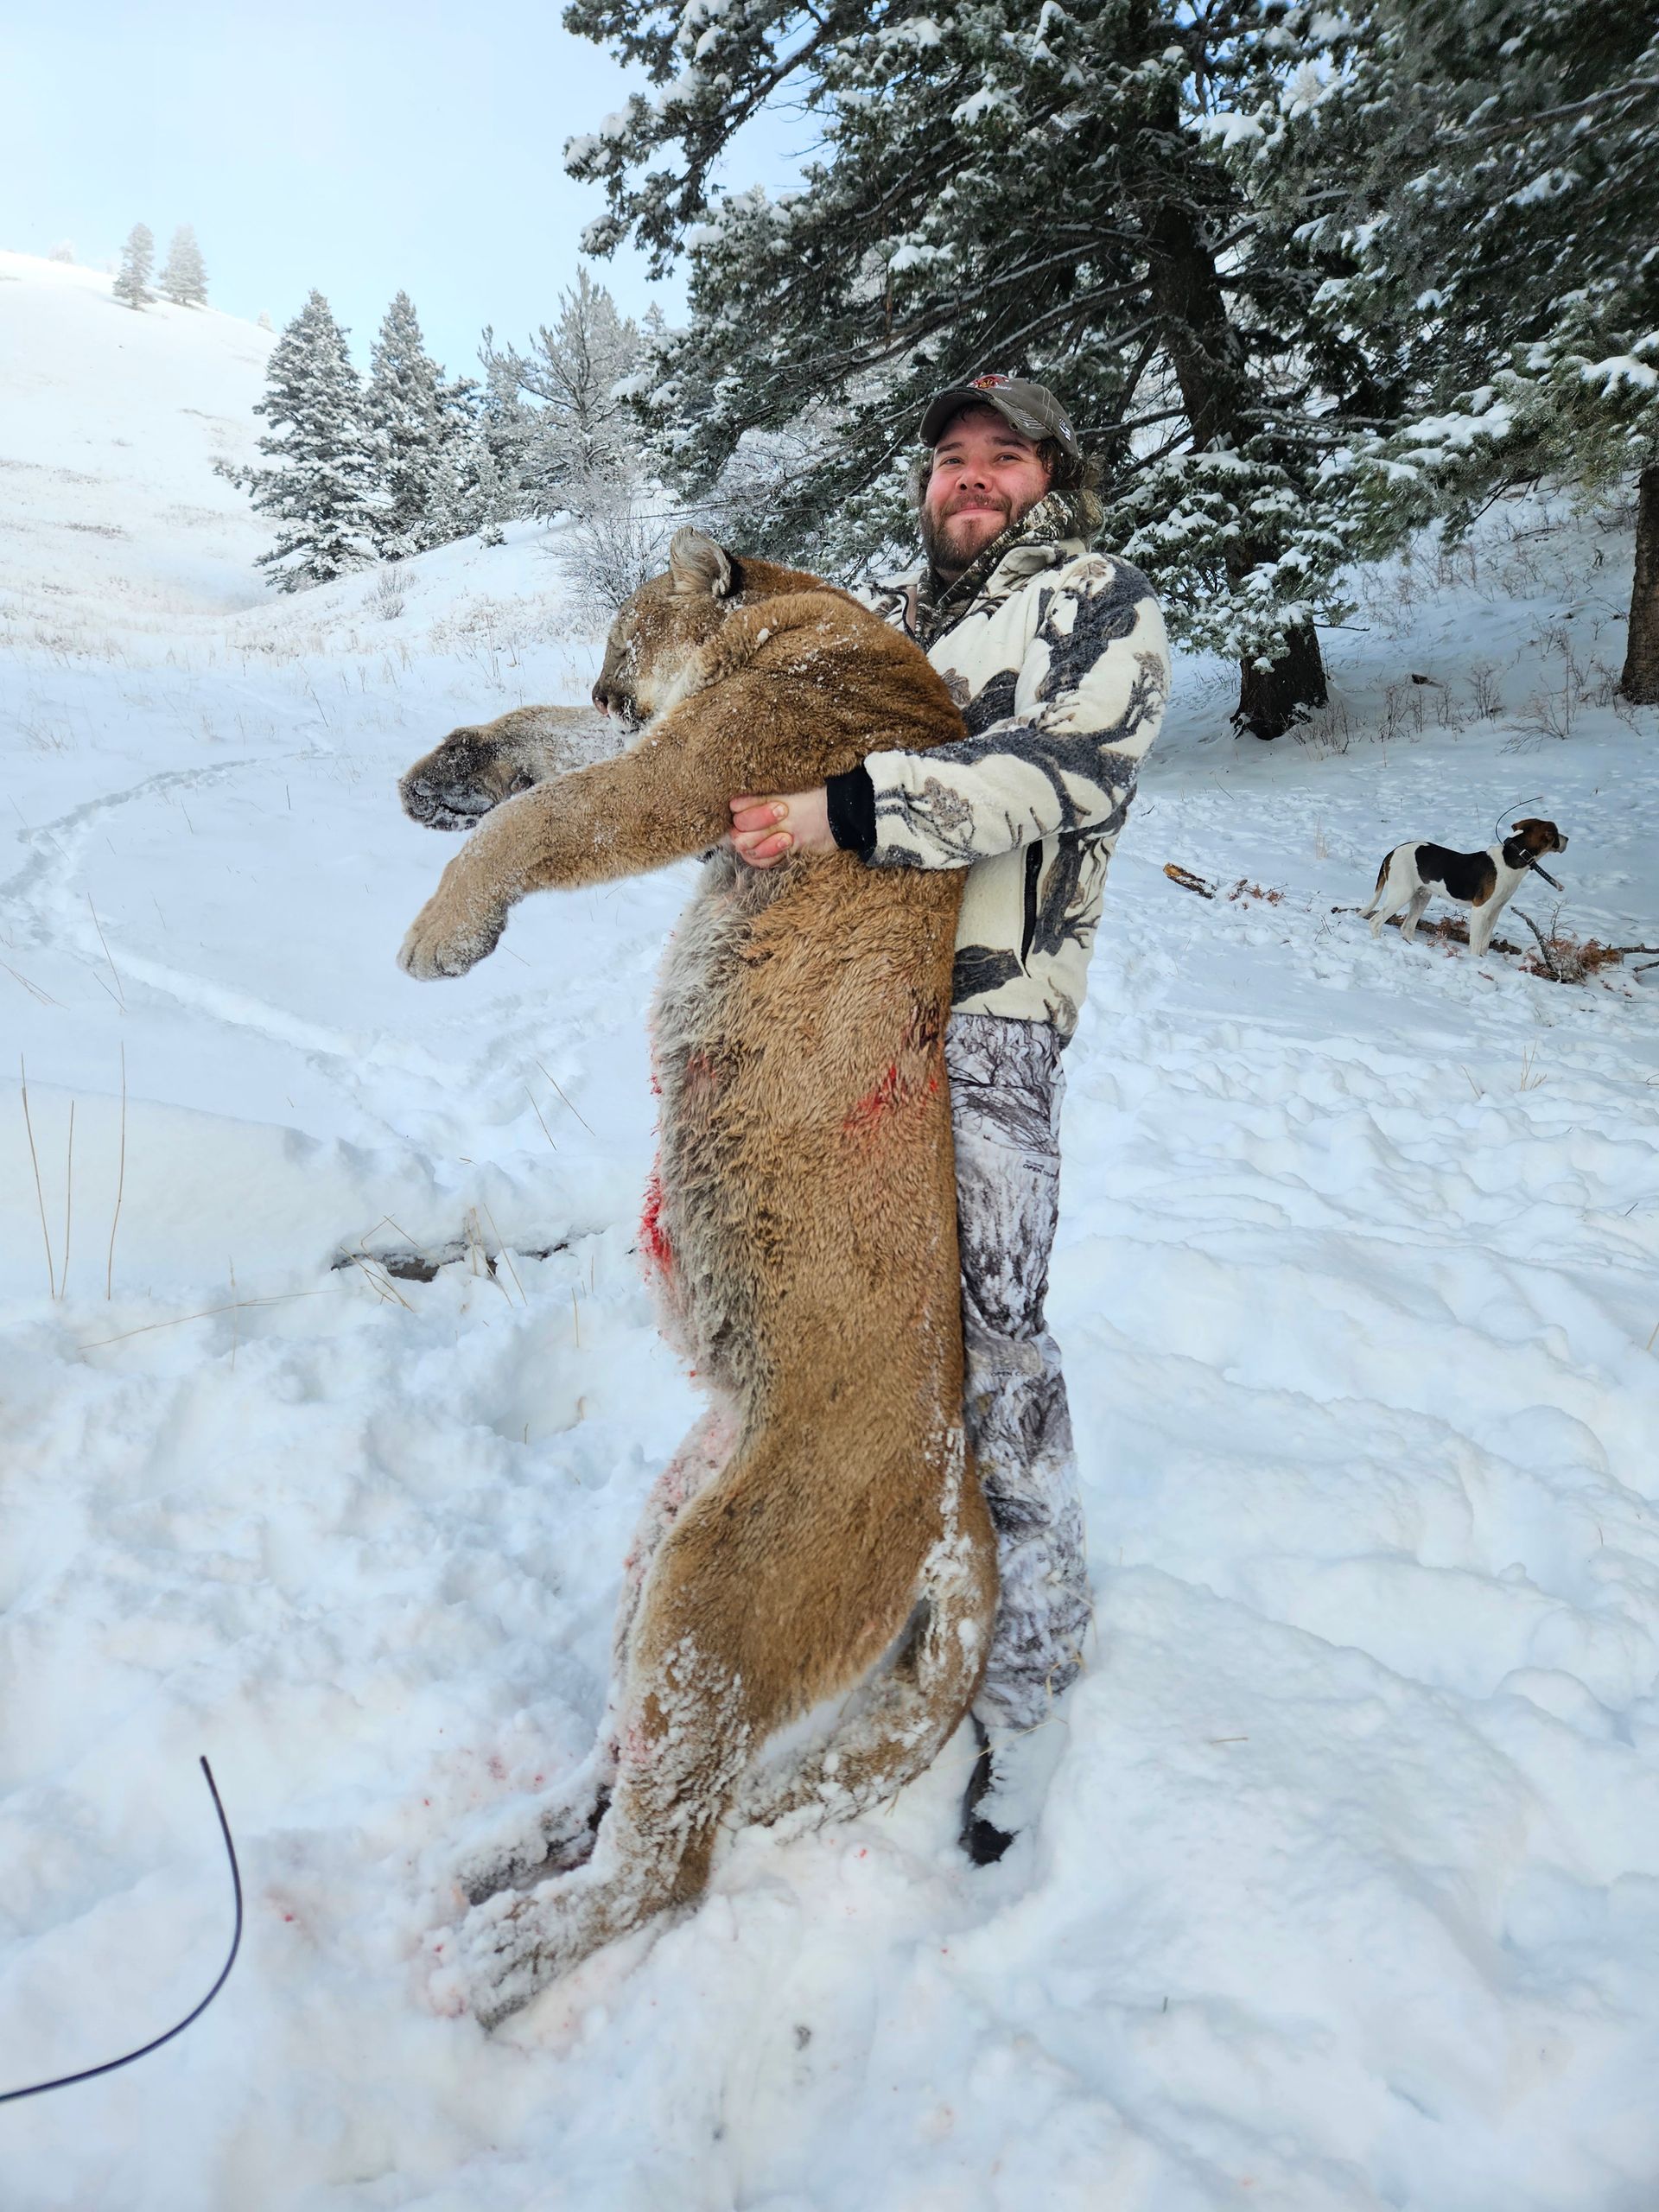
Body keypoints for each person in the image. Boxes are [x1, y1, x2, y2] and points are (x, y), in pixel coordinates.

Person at [730, 375, 1170, 1859]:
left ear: (1053, 478)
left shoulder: (1098, 603)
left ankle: (1031, 1672)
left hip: (988, 1021)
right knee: (872, 1328)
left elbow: (1061, 774)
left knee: (995, 1334)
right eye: (951, 459)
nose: (971, 478)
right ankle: (909, 1600)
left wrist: (844, 806)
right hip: (860, 1027)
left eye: (1005, 458)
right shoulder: (903, 632)